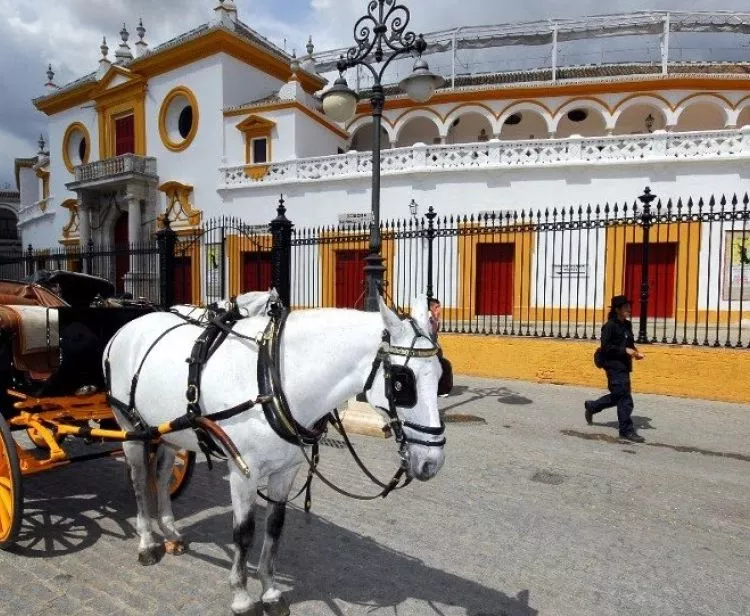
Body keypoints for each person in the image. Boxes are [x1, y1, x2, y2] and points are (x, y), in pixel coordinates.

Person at [584, 295, 646, 443]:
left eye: (629, 307)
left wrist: (635, 352)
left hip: (624, 366)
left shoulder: (627, 325)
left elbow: (629, 344)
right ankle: (626, 431)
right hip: (613, 366)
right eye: (625, 307)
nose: (629, 310)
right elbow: (606, 348)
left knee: (619, 395)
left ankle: (592, 406)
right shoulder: (609, 326)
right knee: (625, 398)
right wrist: (624, 350)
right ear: (617, 310)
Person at [427, 297, 452, 398]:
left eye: (439, 307)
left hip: (433, 348)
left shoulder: (436, 320)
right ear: (430, 309)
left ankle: (440, 389)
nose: (439, 310)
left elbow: (434, 336)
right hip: (427, 350)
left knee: (443, 365)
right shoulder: (427, 319)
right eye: (436, 307)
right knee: (444, 365)